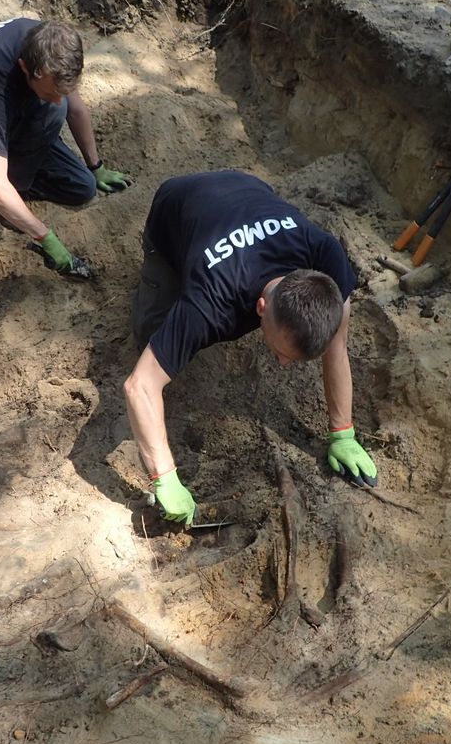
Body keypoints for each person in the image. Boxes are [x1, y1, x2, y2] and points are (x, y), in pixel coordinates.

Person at [123, 171, 378, 525]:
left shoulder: (326, 257)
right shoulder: (208, 305)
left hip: (246, 186)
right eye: (282, 352)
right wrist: (163, 475)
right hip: (175, 207)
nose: (283, 365)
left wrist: (343, 433)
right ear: (260, 308)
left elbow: (338, 344)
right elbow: (140, 386)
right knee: (150, 330)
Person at [0, 18, 131, 277]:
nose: (58, 99)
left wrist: (96, 166)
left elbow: (75, 107)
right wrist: (44, 237)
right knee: (52, 115)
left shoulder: (49, 43)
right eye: (49, 93)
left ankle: (15, 184)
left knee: (82, 187)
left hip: (9, 117)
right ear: (26, 68)